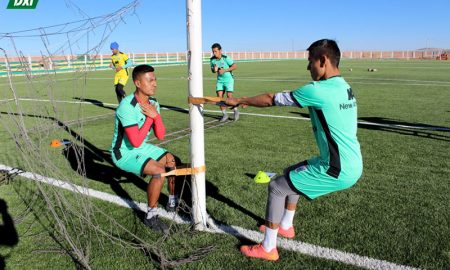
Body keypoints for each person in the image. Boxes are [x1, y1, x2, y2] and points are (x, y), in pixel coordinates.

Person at [225, 39, 363, 261]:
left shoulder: (319, 90)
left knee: (277, 187)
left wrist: (241, 100)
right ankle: (286, 226)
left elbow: (271, 99)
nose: (308, 67)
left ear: (323, 60)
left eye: (310, 62)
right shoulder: (344, 86)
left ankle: (268, 248)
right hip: (348, 161)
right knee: (291, 173)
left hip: (337, 168)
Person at [110, 64, 180, 234]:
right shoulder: (127, 106)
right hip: (124, 153)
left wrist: (156, 116)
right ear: (138, 83)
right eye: (150, 80)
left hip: (142, 146)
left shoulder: (154, 102)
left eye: (155, 79)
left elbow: (161, 135)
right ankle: (151, 216)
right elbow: (134, 142)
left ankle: (172, 201)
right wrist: (150, 118)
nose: (154, 83)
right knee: (158, 171)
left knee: (172, 161)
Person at [210, 43, 239, 122]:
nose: (214, 53)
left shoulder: (226, 58)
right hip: (220, 81)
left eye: (216, 51)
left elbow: (235, 66)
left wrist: (225, 70)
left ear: (220, 51)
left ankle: (235, 110)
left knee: (229, 97)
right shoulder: (212, 59)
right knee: (219, 98)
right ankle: (224, 114)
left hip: (229, 80)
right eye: (213, 51)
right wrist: (214, 70)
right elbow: (212, 70)